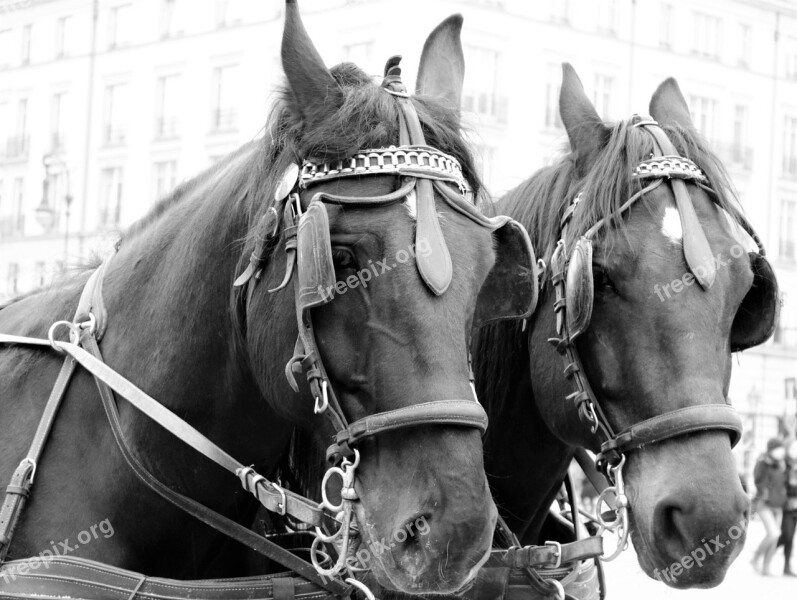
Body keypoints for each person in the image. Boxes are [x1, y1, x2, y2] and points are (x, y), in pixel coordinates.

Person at [751, 437, 787, 576]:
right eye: (778, 448)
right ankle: (755, 559)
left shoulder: (782, 464)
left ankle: (766, 566)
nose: (781, 451)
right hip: (764, 503)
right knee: (774, 533)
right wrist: (766, 463)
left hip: (778, 504)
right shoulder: (763, 462)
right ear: (771, 449)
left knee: (775, 537)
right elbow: (758, 481)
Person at [781, 439, 797, 576]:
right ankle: (763, 552)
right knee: (787, 535)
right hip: (787, 507)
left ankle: (787, 566)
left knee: (789, 537)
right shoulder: (784, 466)